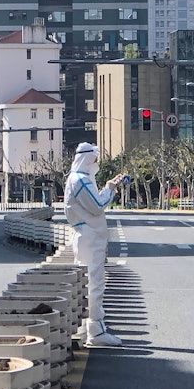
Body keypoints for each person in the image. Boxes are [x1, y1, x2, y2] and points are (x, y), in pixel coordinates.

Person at [64, 142, 125, 347]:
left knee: (88, 283)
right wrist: (108, 189)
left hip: (87, 236)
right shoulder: (81, 180)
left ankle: (85, 328)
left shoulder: (79, 178)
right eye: (96, 159)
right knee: (94, 284)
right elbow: (97, 205)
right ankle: (96, 331)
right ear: (88, 159)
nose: (97, 163)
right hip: (90, 238)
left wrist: (108, 188)